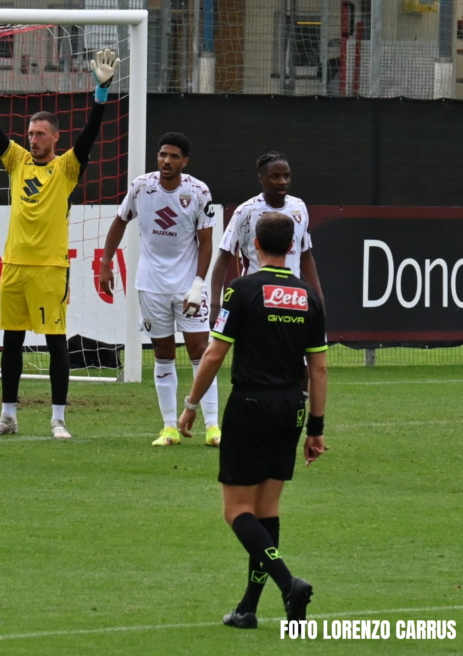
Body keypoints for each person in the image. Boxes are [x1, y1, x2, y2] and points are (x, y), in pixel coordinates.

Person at [0, 35, 120, 440]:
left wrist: (101, 93)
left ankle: (58, 419)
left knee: (55, 343)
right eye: (30, 133)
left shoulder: (67, 168)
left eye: (41, 134)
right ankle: (8, 416)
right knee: (11, 342)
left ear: (55, 138)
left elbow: (91, 135)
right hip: (14, 266)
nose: (33, 139)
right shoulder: (16, 161)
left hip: (49, 269)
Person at [178, 212, 328, 628]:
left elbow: (214, 353)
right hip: (291, 407)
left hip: (250, 405)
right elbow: (318, 370)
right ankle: (247, 609)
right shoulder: (309, 297)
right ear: (293, 247)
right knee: (267, 510)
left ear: (254, 247)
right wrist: (315, 428)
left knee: (236, 511)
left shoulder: (241, 290)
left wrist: (191, 405)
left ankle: (287, 583)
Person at [100, 132, 220, 447]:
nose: (166, 161)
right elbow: (119, 221)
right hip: (150, 287)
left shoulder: (197, 191)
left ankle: (212, 427)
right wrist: (105, 262)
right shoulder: (142, 186)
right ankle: (169, 427)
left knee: (201, 353)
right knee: (163, 354)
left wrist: (198, 283)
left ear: (185, 161)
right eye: (162, 155)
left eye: (173, 156)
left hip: (187, 288)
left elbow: (206, 243)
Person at [209, 151, 324, 323]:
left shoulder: (299, 207)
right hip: (257, 298)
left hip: (292, 298)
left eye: (286, 176)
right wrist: (214, 305)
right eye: (275, 176)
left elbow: (306, 255)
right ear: (261, 178)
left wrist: (319, 298)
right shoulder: (246, 212)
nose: (282, 182)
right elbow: (223, 258)